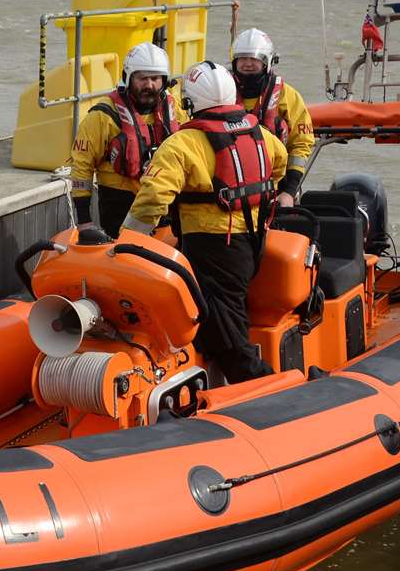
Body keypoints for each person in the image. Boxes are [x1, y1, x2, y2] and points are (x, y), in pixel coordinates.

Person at [120, 61, 287, 384]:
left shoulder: (182, 144)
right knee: (225, 313)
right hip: (253, 241)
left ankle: (262, 387)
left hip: (212, 245)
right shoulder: (257, 132)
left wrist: (126, 243)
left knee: (227, 331)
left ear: (190, 100)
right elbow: (277, 163)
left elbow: (153, 197)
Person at [66, 42, 186, 236]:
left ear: (164, 80)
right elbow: (82, 166)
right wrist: (84, 221)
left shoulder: (174, 111)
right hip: (119, 205)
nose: (149, 85)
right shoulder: (102, 116)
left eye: (155, 78)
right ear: (128, 78)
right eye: (142, 78)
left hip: (165, 204)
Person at [229, 28, 314, 207]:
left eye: (254, 59)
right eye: (242, 59)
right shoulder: (222, 93)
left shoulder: (287, 96)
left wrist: (289, 192)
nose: (248, 64)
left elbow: (301, 145)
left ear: (267, 62)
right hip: (230, 187)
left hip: (276, 189)